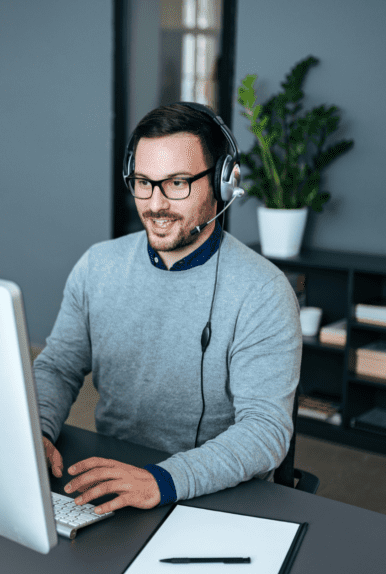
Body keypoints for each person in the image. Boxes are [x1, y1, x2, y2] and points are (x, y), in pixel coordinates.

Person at [34, 102, 301, 514]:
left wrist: (165, 480)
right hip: (114, 474)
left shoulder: (262, 290)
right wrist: (37, 428)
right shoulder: (97, 265)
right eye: (143, 181)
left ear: (221, 183)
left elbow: (265, 429)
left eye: (177, 183)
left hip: (215, 491)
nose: (155, 203)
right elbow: (58, 366)